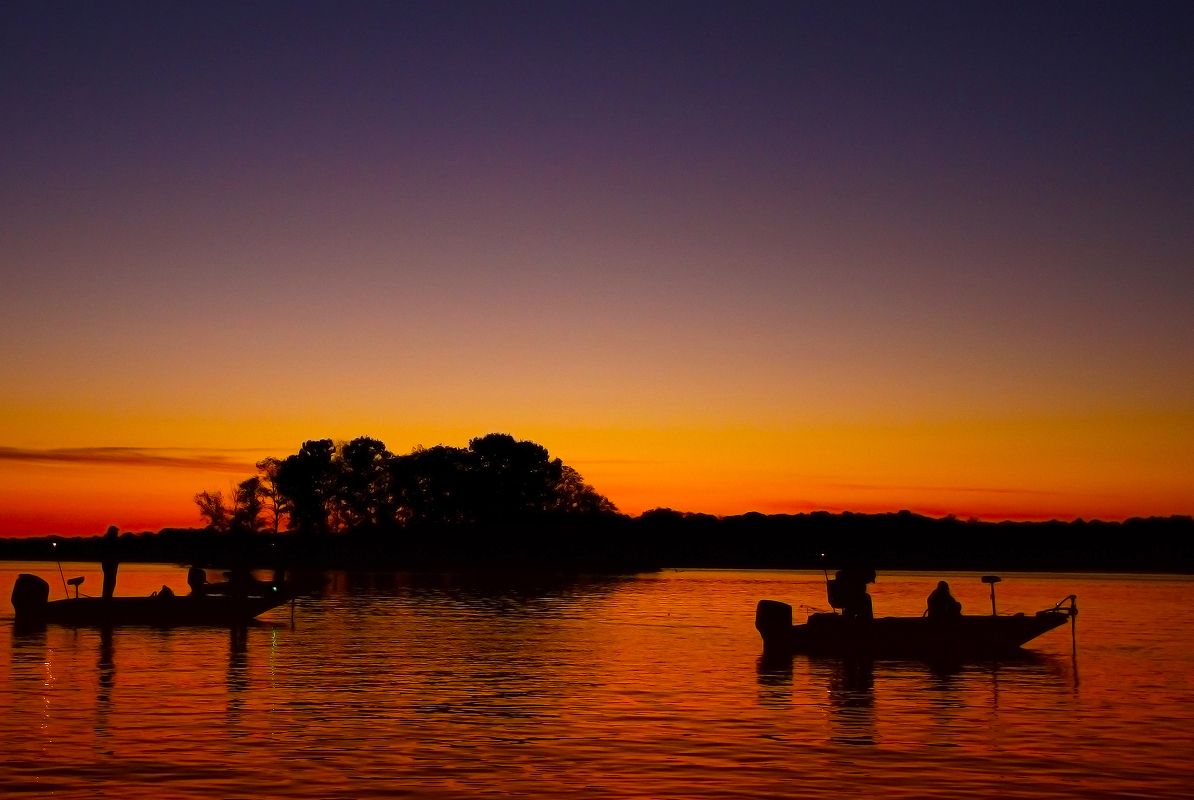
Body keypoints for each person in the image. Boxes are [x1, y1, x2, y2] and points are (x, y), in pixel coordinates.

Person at [100, 525, 120, 600]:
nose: (117, 534)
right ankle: (107, 597)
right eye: (116, 532)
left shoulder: (110, 540)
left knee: (111, 581)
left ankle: (107, 596)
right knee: (109, 580)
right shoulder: (110, 541)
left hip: (111, 564)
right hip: (109, 564)